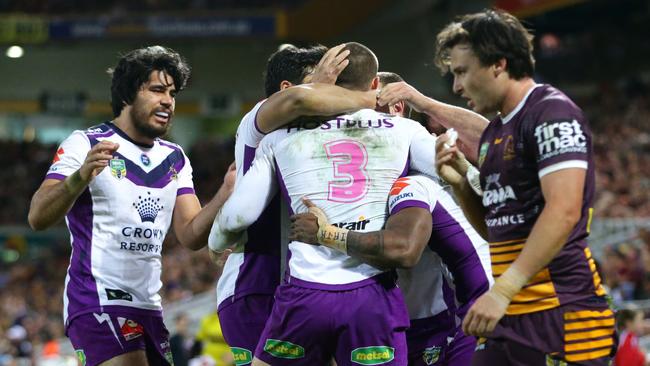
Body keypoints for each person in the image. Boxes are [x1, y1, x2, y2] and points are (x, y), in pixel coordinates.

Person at [209, 42, 439, 365]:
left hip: (304, 293)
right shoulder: (406, 130)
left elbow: (238, 215)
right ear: (374, 84)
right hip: (371, 294)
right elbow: (452, 168)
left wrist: (216, 240)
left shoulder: (280, 137)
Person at [28, 45, 236, 366]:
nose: (168, 100)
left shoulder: (175, 158)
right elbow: (38, 216)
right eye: (156, 90)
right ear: (128, 95)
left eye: (172, 92)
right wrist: (79, 177)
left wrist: (224, 193)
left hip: (149, 307)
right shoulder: (85, 143)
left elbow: (191, 235)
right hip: (96, 299)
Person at [434, 10, 614, 365]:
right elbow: (495, 228)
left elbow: (563, 211)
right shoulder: (493, 134)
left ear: (498, 65)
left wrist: (501, 291)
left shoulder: (551, 113)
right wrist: (459, 185)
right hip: (509, 316)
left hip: (562, 314)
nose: (456, 87)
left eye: (461, 71)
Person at [287, 72, 492, 366]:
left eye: (360, 110)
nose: (346, 124)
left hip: (468, 313)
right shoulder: (349, 182)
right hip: (405, 320)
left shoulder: (419, 174)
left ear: (395, 110)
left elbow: (401, 249)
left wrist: (420, 101)